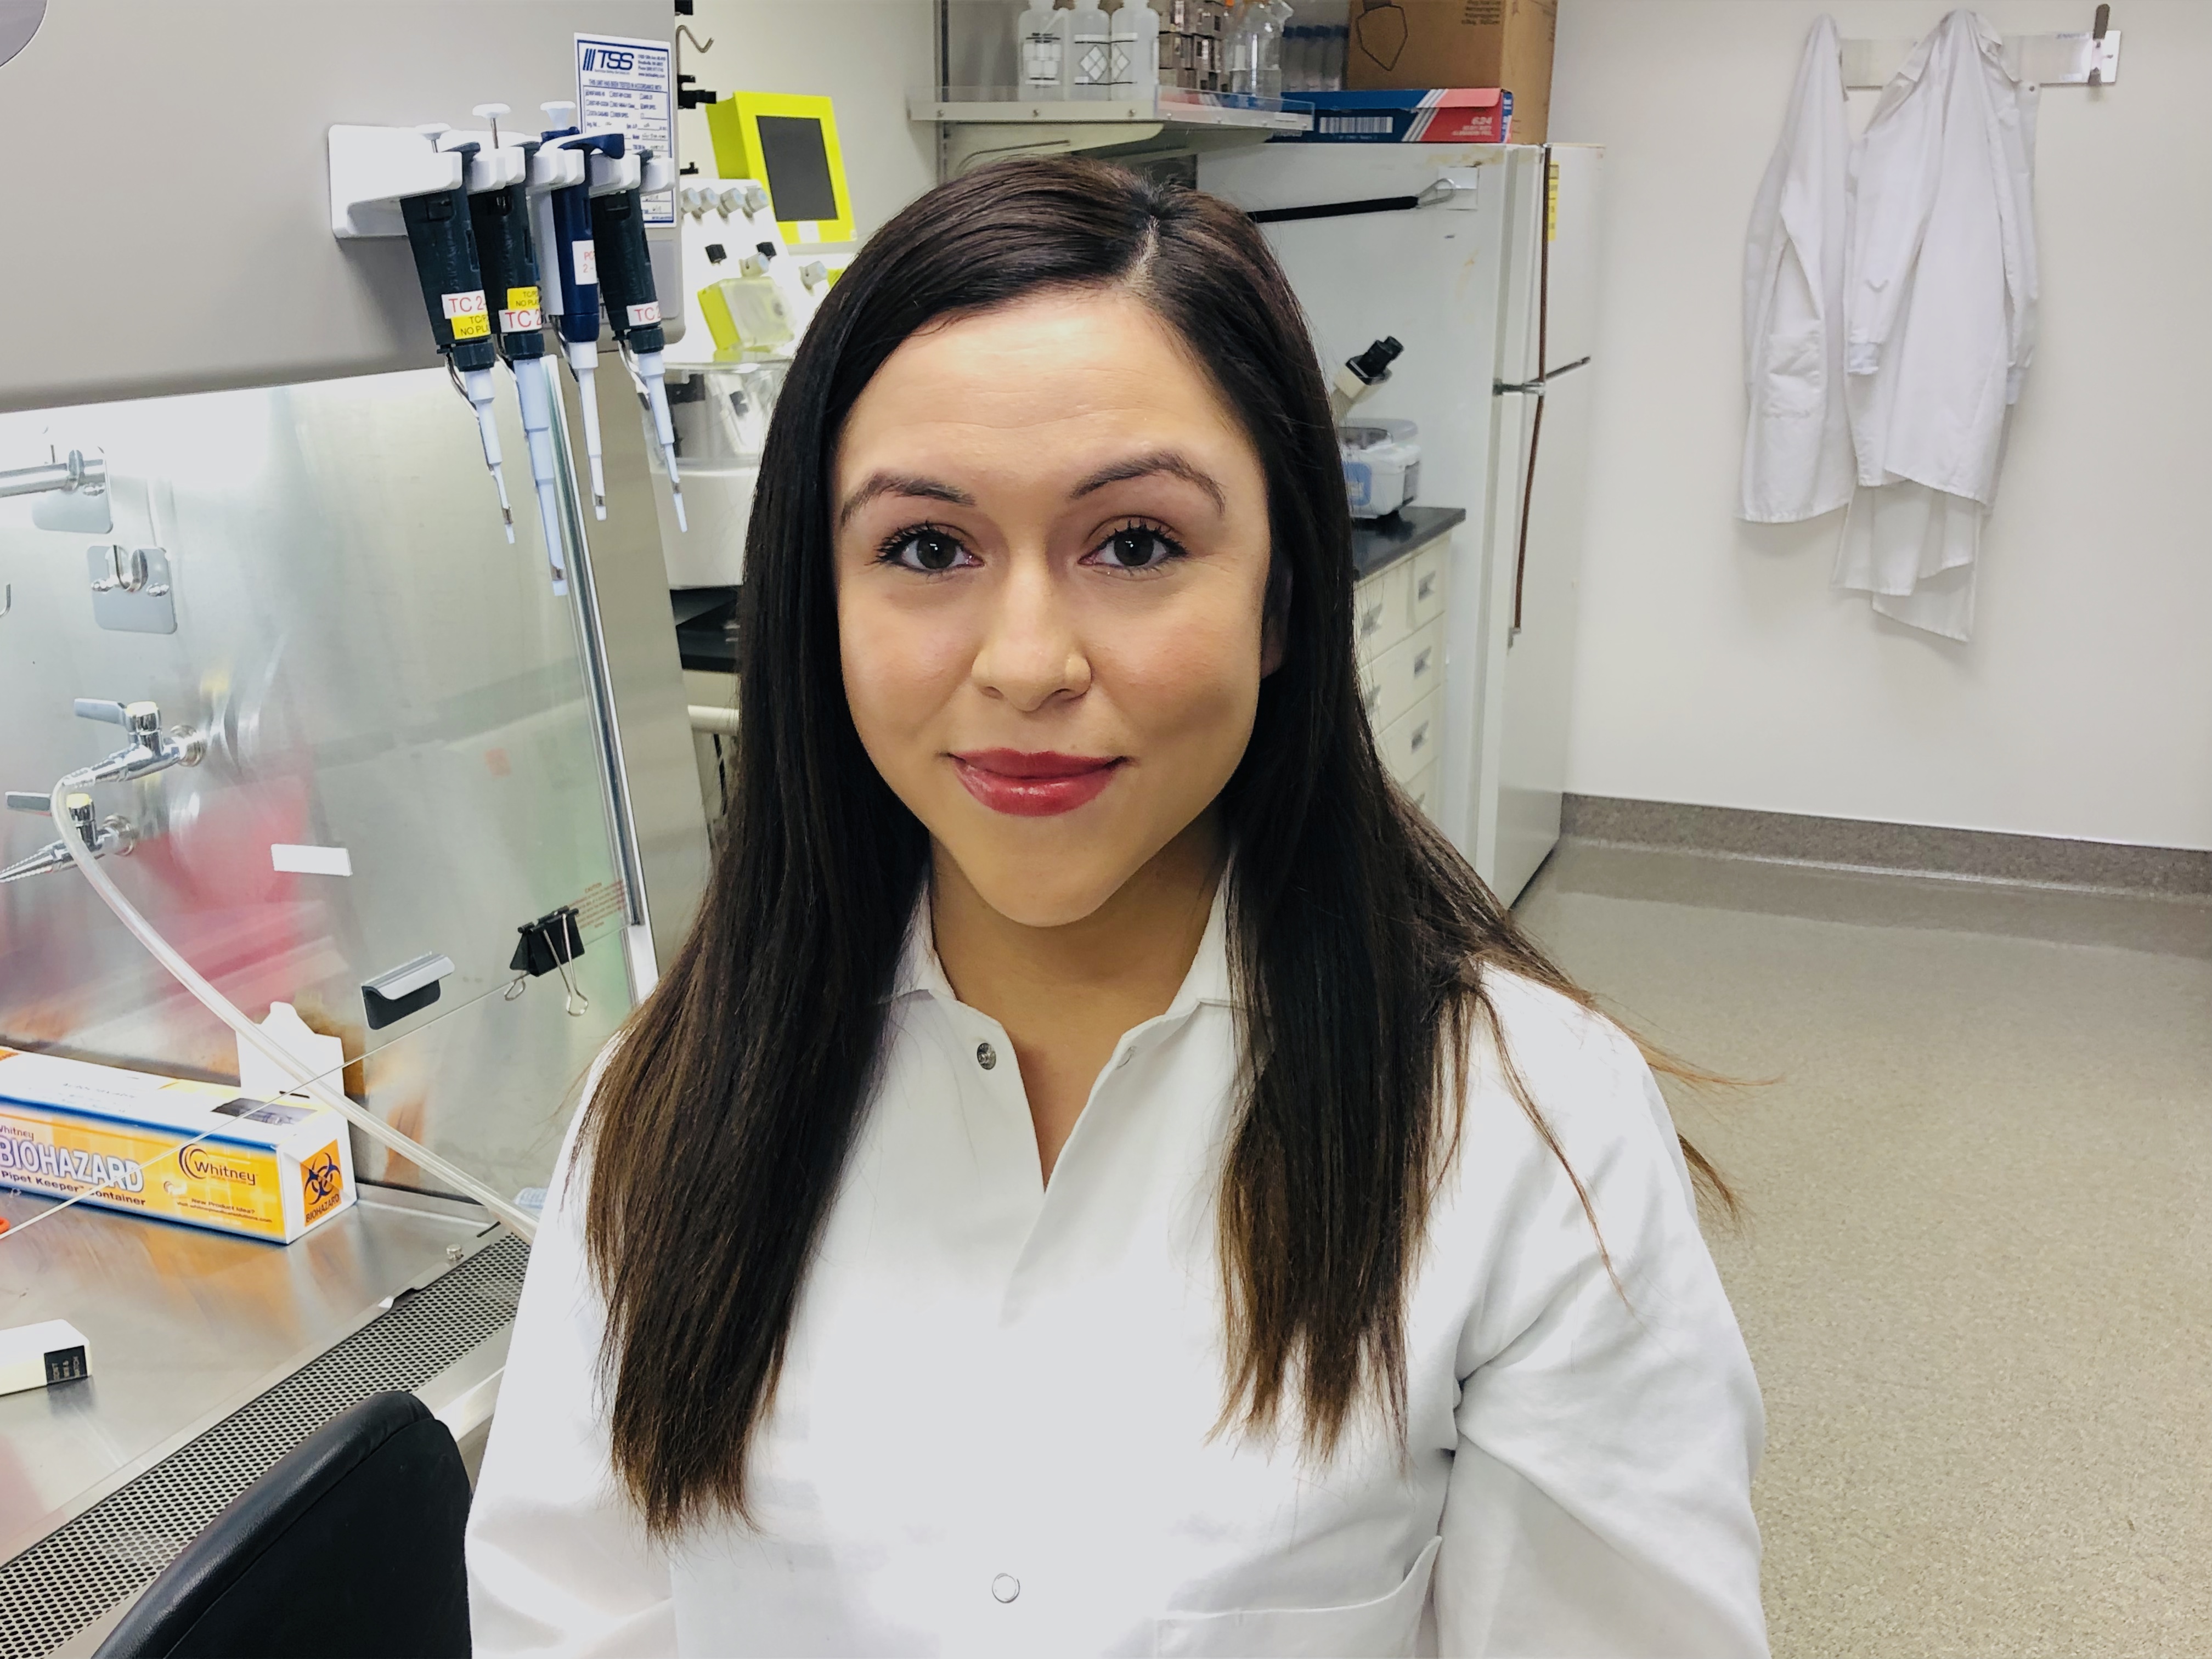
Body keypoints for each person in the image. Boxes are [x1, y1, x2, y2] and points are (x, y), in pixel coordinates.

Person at [466, 157, 1768, 1657]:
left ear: (1281, 598)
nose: (1028, 663)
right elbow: (570, 1618)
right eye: (927, 547)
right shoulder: (676, 1101)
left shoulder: (1525, 1127)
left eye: (1137, 544)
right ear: (820, 605)